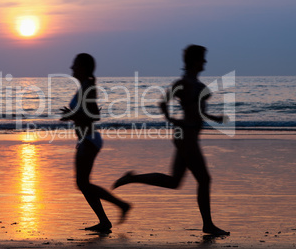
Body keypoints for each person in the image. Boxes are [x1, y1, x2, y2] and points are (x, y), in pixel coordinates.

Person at [113, 45, 230, 236]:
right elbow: (162, 102)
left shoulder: (199, 86)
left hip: (188, 136)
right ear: (194, 61)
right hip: (185, 137)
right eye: (202, 59)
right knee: (204, 179)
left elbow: (198, 112)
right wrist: (172, 119)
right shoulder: (183, 84)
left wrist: (216, 118)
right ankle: (208, 225)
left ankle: (132, 177)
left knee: (174, 182)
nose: (205, 62)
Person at [60, 53, 131, 232]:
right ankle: (105, 220)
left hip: (90, 139)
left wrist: (72, 115)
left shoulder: (88, 87)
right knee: (83, 184)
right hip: (86, 139)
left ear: (83, 67)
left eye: (74, 64)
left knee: (83, 184)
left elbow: (94, 116)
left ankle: (120, 206)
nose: (71, 68)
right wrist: (73, 115)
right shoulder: (85, 86)